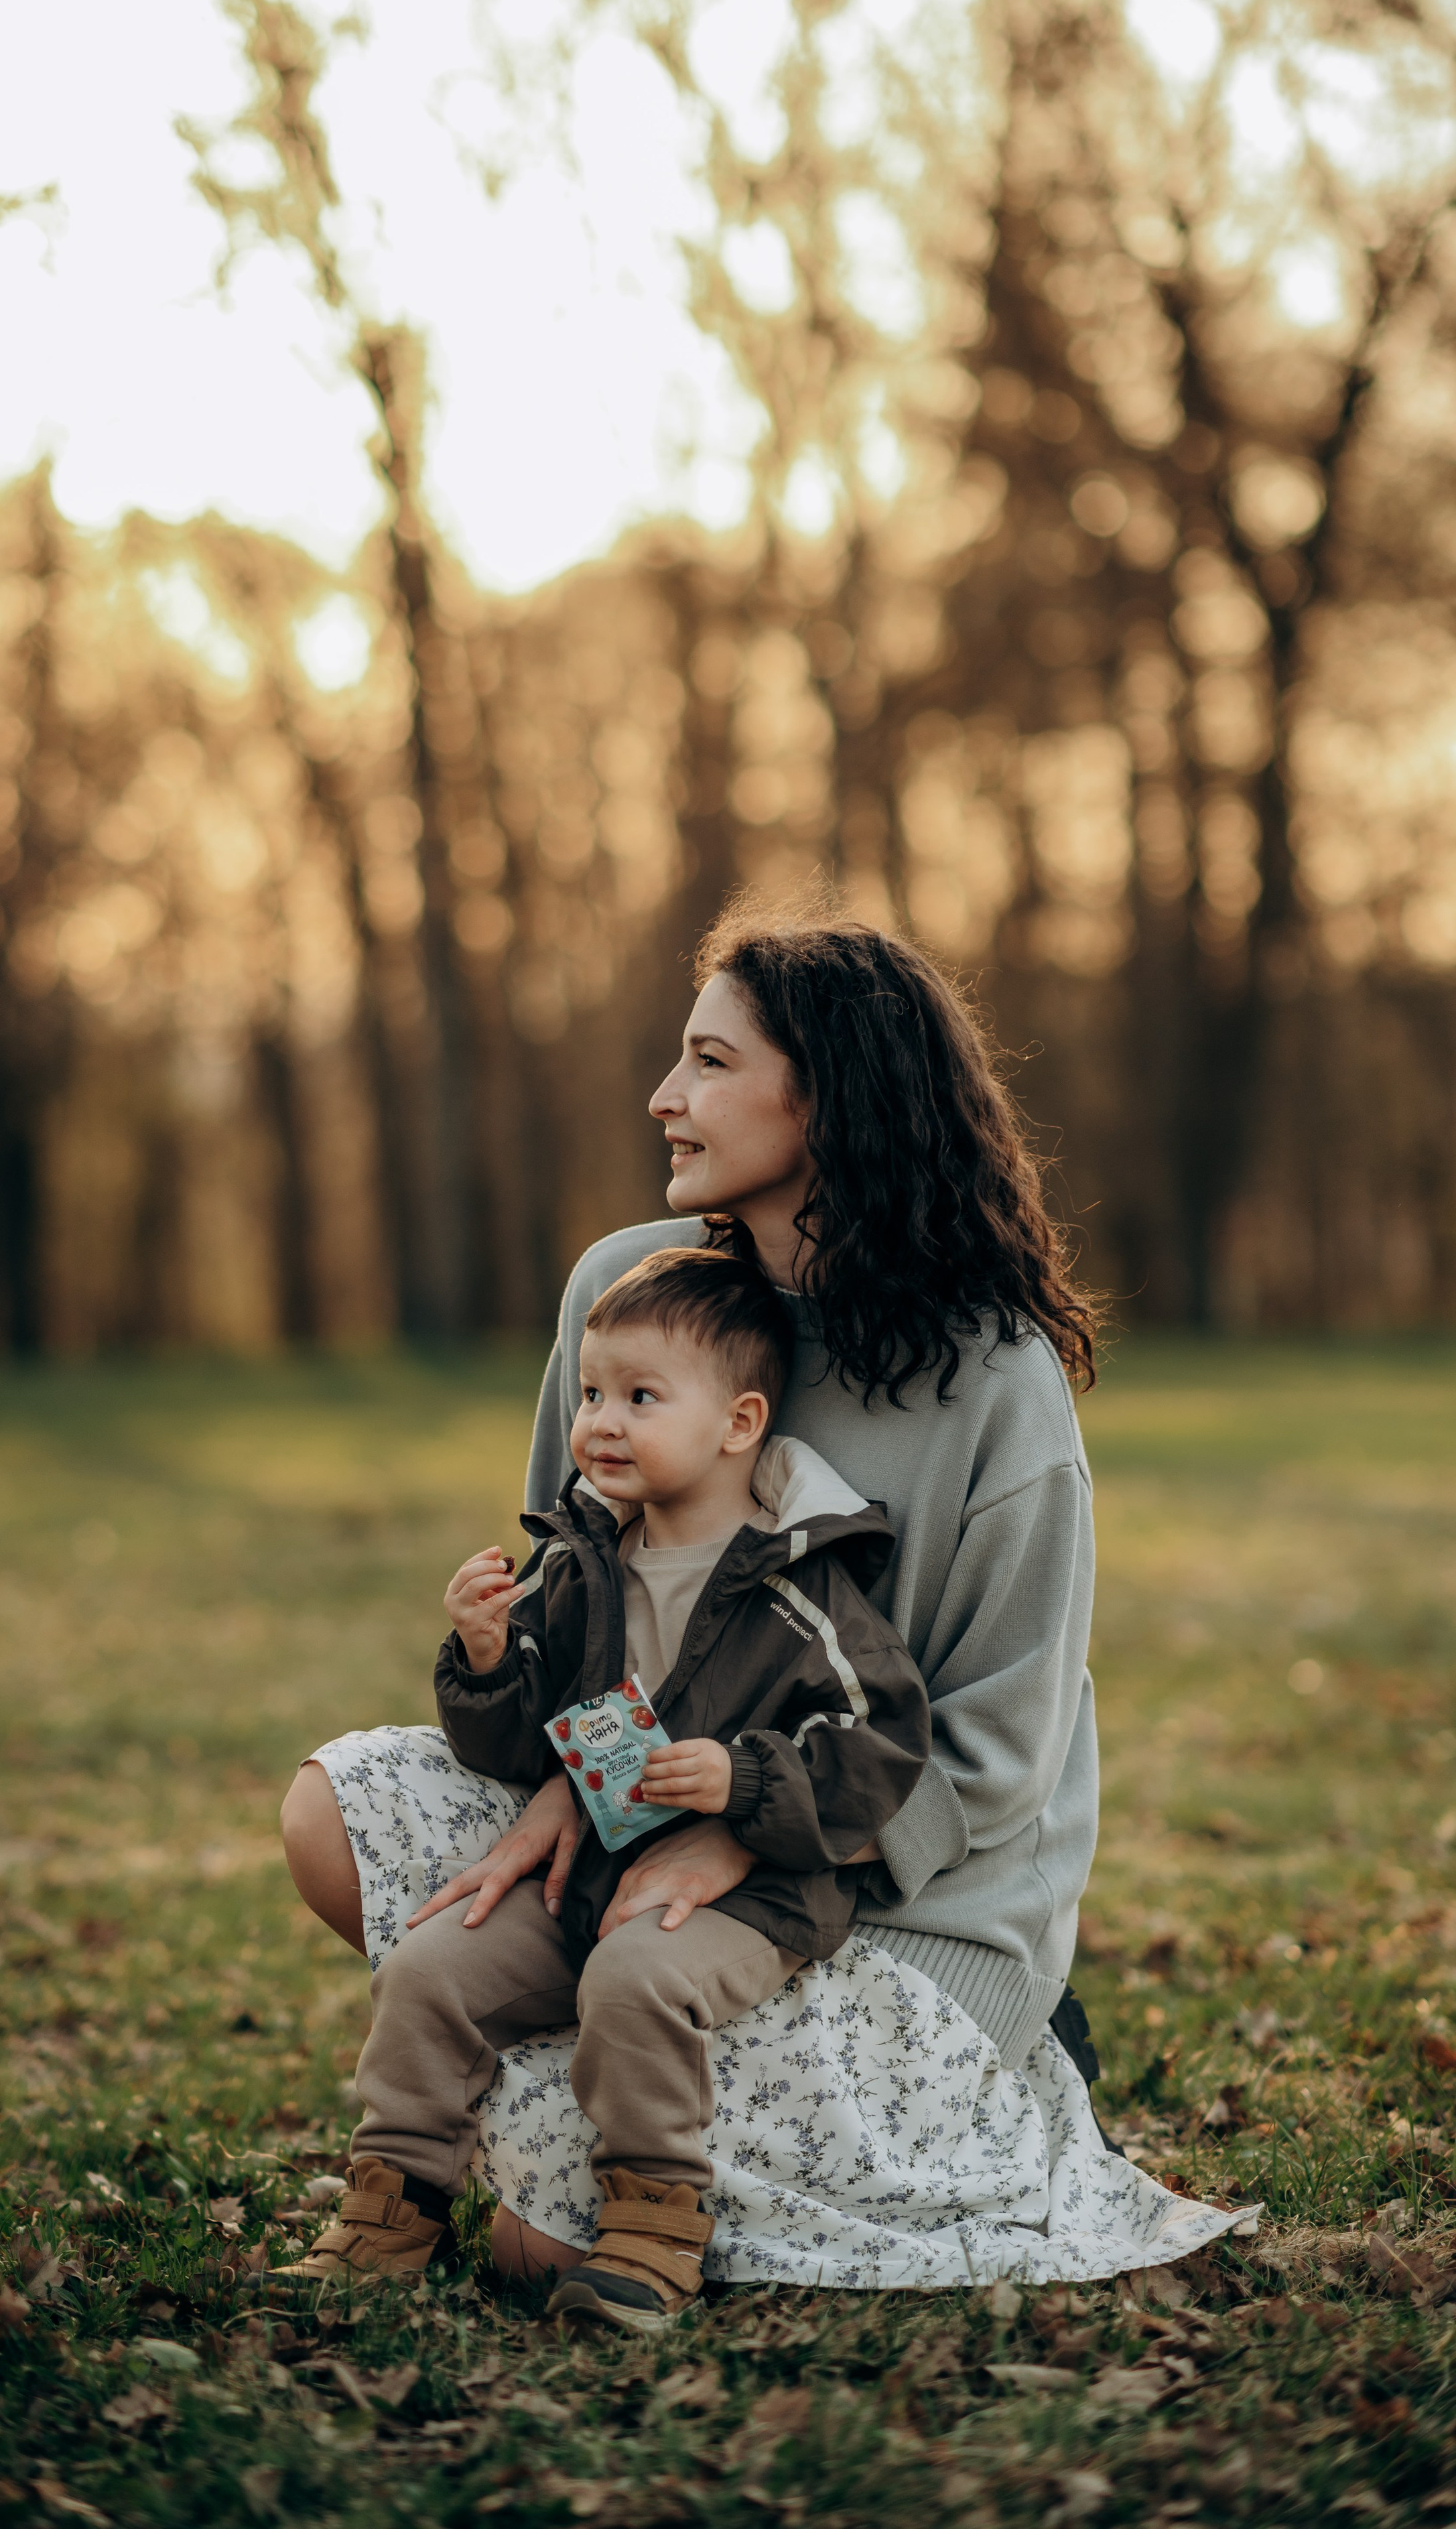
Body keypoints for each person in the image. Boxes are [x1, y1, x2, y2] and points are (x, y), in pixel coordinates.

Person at [281, 905, 1251, 2291]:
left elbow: (1000, 1752)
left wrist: (750, 1832)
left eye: (709, 1063)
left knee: (535, 2241)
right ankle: (592, 2082)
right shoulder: (621, 1294)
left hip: (904, 1897)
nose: (663, 1098)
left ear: (829, 1093)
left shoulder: (993, 1380)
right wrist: (573, 1783)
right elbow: (583, 1598)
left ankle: (963, 2087)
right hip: (634, 1830)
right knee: (338, 1811)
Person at [277, 1247, 930, 2329]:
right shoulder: (585, 1559)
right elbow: (517, 1745)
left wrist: (742, 1780)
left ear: (738, 1423)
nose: (599, 1422)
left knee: (634, 1982)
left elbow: (882, 1748)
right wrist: (486, 1660)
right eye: (590, 1393)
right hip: (590, 1873)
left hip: (754, 1893)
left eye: (639, 1396)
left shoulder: (799, 1584)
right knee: (432, 1968)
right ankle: (392, 2206)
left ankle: (653, 2228)